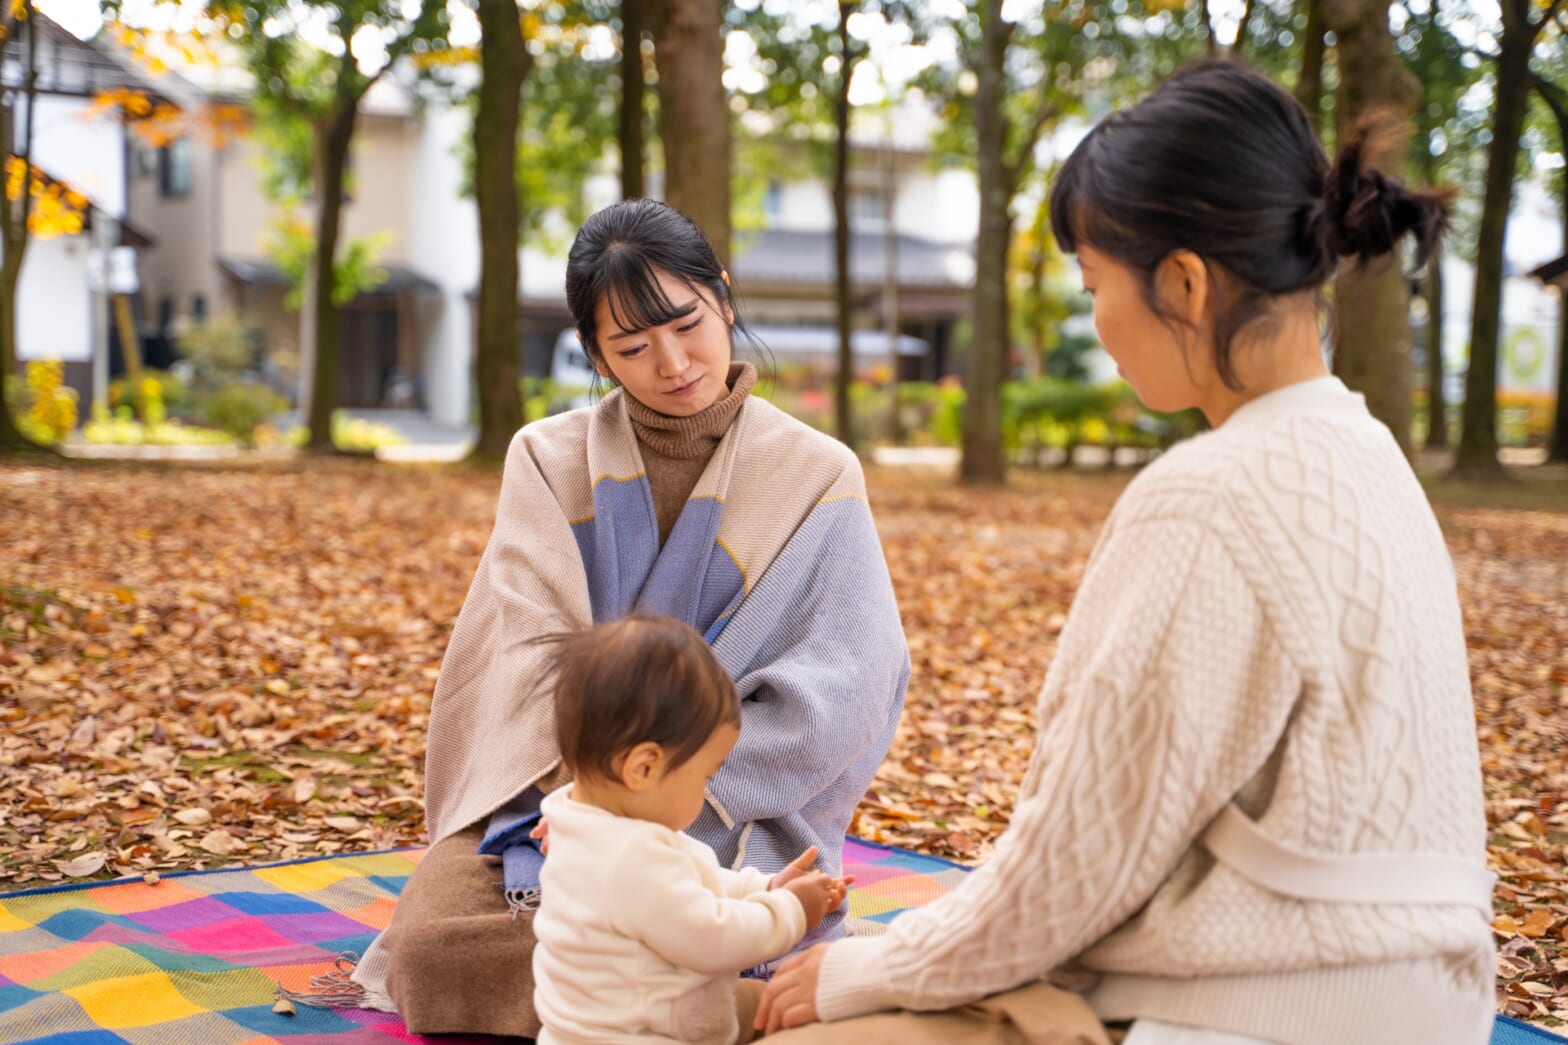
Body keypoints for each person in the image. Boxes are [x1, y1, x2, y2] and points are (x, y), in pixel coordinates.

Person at [756, 60, 1496, 1045]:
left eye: (1094, 282)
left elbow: (1071, 870)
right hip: (1428, 1003)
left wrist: (861, 971)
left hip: (1254, 1012)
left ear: (1182, 283)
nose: (1096, 322)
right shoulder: (1370, 461)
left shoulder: (1209, 497)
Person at [346, 199, 911, 1036]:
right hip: (560, 799)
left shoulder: (818, 474)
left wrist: (678, 776)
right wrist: (593, 792)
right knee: (430, 955)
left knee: (743, 911)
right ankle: (714, 1001)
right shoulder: (546, 458)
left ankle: (691, 983)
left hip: (718, 804)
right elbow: (524, 654)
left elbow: (847, 682)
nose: (673, 362)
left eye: (686, 323)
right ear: (594, 353)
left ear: (723, 295)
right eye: (632, 347)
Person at [533, 613, 851, 1044]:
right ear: (643, 767)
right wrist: (791, 911)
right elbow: (715, 938)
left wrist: (768, 887)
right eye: (705, 776)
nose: (706, 790)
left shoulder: (579, 819)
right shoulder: (632, 859)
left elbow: (692, 878)